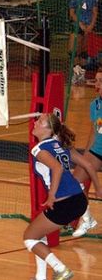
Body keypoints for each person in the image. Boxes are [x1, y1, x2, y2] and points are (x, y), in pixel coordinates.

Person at [24, 113, 102, 280]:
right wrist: (98, 188)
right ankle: (40, 277)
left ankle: (61, 269)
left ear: (49, 129)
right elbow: (88, 164)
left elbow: (57, 168)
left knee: (29, 238)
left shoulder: (39, 149)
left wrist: (51, 195)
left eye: (40, 121)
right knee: (39, 234)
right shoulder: (61, 144)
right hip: (80, 200)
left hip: (64, 203)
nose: (35, 122)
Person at [72, 67, 102, 237]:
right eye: (96, 80)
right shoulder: (95, 105)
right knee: (75, 182)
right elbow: (94, 131)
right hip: (97, 151)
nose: (96, 84)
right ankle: (87, 217)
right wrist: (86, 156)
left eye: (100, 81)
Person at [68, 0, 98, 84]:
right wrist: (80, 24)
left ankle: (82, 75)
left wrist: (91, 26)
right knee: (74, 50)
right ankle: (76, 73)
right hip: (77, 26)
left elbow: (95, 13)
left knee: (84, 52)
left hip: (88, 27)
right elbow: (72, 13)